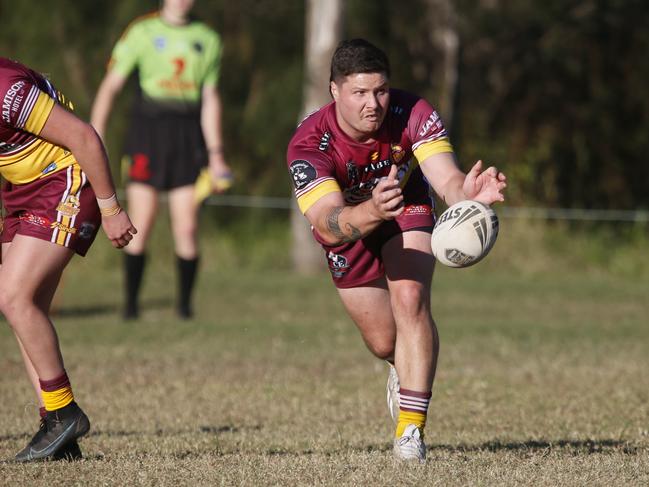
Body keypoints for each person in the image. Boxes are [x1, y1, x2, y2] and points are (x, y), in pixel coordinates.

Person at [286, 39, 507, 462]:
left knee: (411, 301)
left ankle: (410, 432)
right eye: (360, 93)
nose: (374, 104)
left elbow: (447, 180)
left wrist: (468, 195)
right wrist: (368, 209)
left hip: (407, 209)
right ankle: (399, 367)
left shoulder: (413, 113)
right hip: (349, 232)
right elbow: (329, 224)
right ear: (334, 91)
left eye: (381, 90)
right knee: (384, 340)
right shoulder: (308, 144)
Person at [0, 57, 136, 462]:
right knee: (25, 307)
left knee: (13, 297)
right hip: (22, 189)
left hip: (65, 179)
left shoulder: (5, 89)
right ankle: (57, 429)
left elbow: (85, 137)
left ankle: (64, 414)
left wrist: (111, 210)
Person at [91, 0, 231, 320]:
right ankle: (130, 306)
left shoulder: (207, 38)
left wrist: (217, 155)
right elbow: (111, 86)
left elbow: (210, 99)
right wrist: (94, 136)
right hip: (147, 134)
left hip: (187, 137)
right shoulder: (142, 32)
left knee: (187, 226)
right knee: (142, 220)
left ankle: (184, 309)